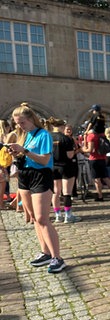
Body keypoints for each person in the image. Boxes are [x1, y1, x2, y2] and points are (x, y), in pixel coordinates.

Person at [9, 103, 66, 273]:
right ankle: (45, 252)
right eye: (17, 123)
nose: (20, 126)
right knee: (34, 217)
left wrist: (24, 151)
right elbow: (27, 155)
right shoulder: (25, 135)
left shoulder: (44, 135)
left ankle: (58, 257)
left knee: (42, 218)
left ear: (31, 119)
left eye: (22, 123)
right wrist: (17, 154)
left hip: (40, 176)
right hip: (25, 176)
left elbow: (43, 160)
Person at [47, 117, 81, 223]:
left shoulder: (48, 137)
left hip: (53, 166)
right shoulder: (66, 138)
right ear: (62, 127)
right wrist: (77, 151)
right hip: (66, 166)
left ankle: (58, 215)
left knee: (55, 192)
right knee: (67, 192)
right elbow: (70, 155)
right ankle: (68, 215)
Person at [82, 115, 110, 201]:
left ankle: (100, 195)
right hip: (103, 158)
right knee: (105, 177)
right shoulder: (102, 134)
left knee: (96, 178)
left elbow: (90, 150)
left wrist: (82, 149)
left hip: (94, 159)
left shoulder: (92, 136)